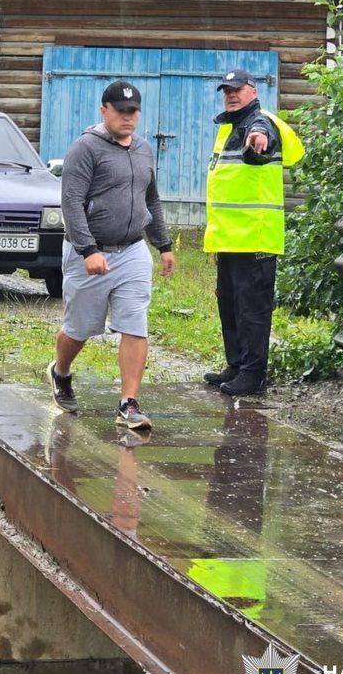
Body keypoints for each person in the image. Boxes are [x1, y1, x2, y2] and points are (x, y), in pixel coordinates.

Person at [48, 80, 175, 429]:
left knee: (135, 324)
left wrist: (163, 245)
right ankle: (60, 371)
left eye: (132, 112)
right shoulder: (85, 149)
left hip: (132, 251)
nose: (127, 118)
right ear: (104, 110)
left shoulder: (144, 150)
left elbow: (151, 200)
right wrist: (87, 249)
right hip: (89, 254)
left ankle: (128, 404)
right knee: (80, 328)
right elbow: (71, 202)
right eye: (120, 111)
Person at [203, 67, 304, 396]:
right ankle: (236, 365)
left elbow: (262, 134)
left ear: (253, 91)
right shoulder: (227, 129)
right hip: (230, 238)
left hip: (256, 238)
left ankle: (253, 374)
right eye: (226, 90)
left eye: (237, 89)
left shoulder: (262, 123)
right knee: (230, 308)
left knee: (252, 311)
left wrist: (258, 138)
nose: (230, 94)